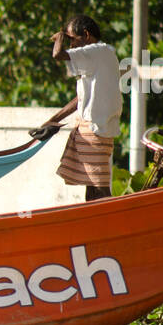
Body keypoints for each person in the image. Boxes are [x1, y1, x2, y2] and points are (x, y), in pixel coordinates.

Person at [39, 15, 122, 201]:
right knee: (92, 191)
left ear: (86, 35)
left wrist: (59, 37)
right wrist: (53, 120)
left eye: (72, 39)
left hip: (96, 128)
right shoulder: (99, 56)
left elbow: (57, 54)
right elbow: (81, 98)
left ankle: (115, 218)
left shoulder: (97, 51)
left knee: (100, 189)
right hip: (93, 127)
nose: (71, 45)